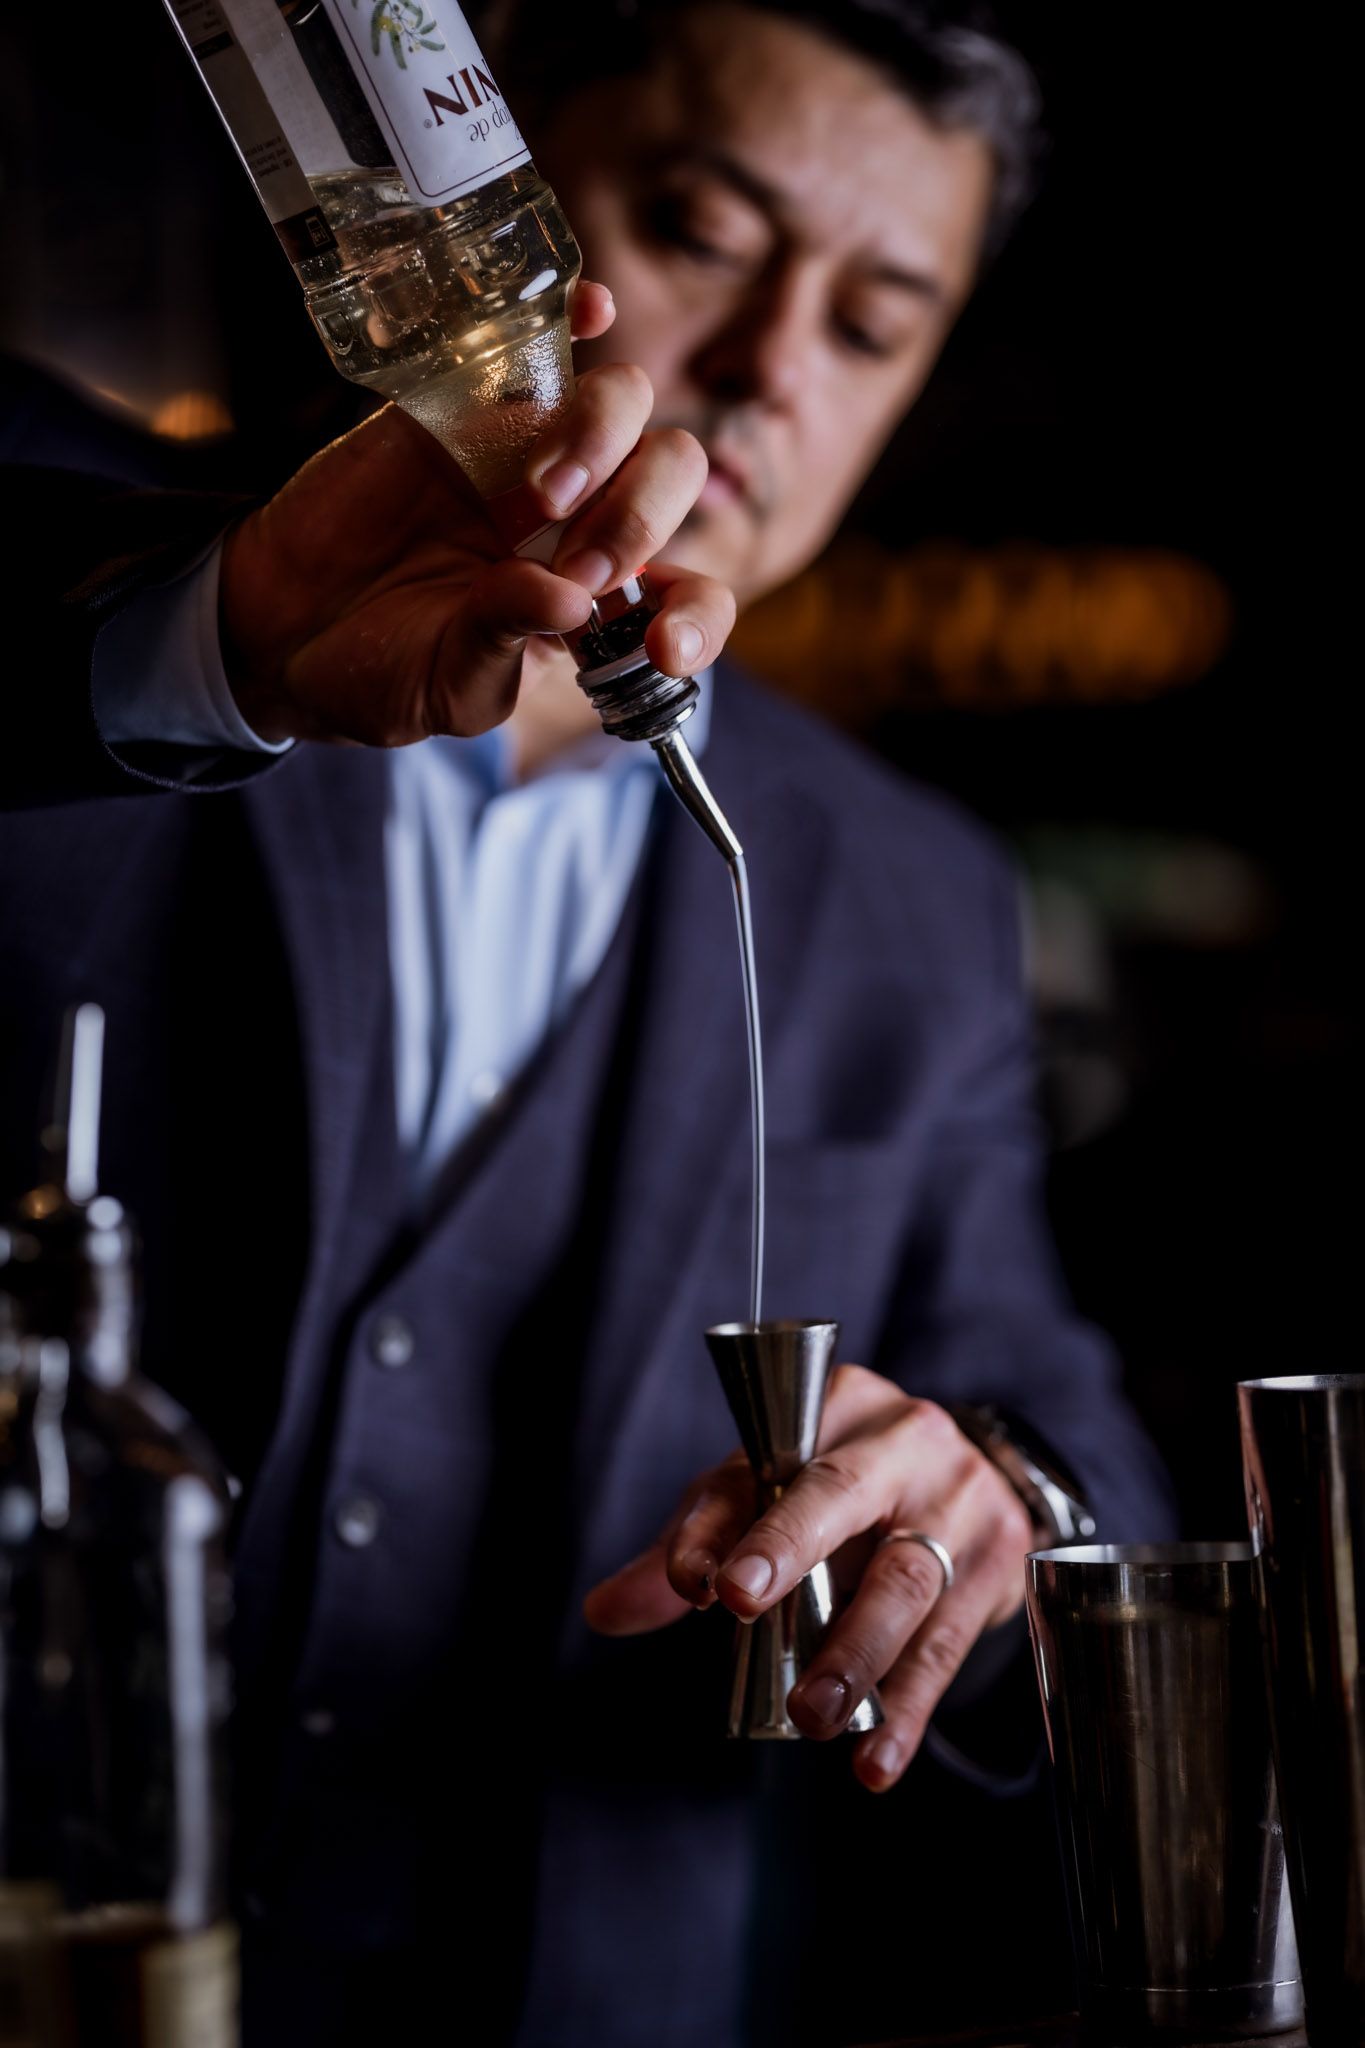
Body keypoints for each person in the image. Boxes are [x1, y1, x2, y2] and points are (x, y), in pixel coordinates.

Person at [0, 3, 1174, 2042]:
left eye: (874, 321)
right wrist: (209, 649)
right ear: (486, 183)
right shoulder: (119, 601)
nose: (764, 370)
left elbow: (1075, 1451)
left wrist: (998, 1500)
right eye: (703, 229)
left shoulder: (905, 893)